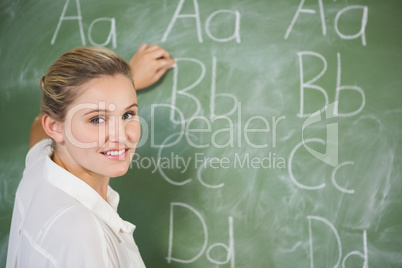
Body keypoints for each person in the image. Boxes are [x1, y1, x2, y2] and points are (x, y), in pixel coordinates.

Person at [6, 44, 175, 267]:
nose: (120, 136)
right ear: (56, 128)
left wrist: (124, 80)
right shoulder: (82, 234)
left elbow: (38, 125)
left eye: (128, 114)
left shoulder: (41, 167)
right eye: (97, 119)